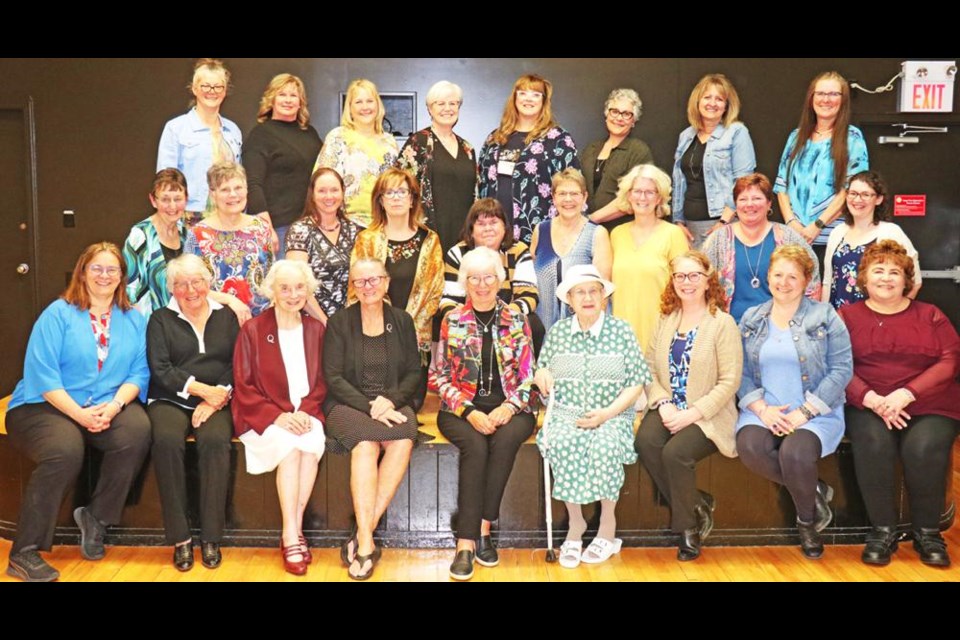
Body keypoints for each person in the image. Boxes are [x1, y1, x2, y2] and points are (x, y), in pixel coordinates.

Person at [4, 242, 150, 582]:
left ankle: (96, 518)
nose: (104, 275)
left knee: (137, 431)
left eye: (112, 270)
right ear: (83, 272)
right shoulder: (58, 313)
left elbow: (139, 374)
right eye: (96, 268)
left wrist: (114, 407)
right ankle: (24, 552)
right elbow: (43, 377)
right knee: (65, 450)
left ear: (122, 277)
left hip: (104, 403)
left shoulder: (134, 319)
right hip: (44, 405)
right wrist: (80, 415)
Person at [839, 240, 960, 567]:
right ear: (864, 277)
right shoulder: (845, 316)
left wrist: (908, 393)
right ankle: (882, 531)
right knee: (874, 444)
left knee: (922, 448)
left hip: (928, 401)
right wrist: (872, 399)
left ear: (907, 280)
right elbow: (837, 365)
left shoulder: (931, 315)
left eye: (895, 272)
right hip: (869, 401)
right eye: (878, 270)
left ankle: (928, 533)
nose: (886, 278)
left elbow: (950, 360)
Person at [736, 245, 852, 560]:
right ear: (768, 276)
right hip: (765, 409)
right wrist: (761, 409)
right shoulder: (751, 318)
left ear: (807, 281)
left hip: (816, 411)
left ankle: (806, 520)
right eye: (778, 275)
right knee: (749, 448)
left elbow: (842, 370)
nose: (783, 282)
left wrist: (805, 412)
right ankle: (814, 492)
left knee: (794, 453)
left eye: (792, 276)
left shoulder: (825, 315)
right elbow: (740, 372)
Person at [430, 247, 536, 580]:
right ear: (464, 282)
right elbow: (438, 375)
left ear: (500, 280)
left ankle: (483, 529)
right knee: (475, 447)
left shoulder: (517, 319)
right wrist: (468, 410)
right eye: (473, 278)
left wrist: (509, 406)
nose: (481, 284)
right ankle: (467, 543)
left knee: (503, 443)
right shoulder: (452, 320)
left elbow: (529, 373)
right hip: (460, 409)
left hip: (512, 408)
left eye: (488, 276)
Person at [535, 265, 650, 569]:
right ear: (569, 299)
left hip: (611, 414)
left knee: (604, 447)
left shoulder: (621, 331)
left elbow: (637, 380)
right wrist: (542, 373)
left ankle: (608, 528)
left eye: (593, 291)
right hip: (567, 413)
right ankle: (576, 526)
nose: (587, 297)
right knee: (561, 442)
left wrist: (607, 414)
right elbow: (543, 368)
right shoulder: (558, 332)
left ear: (603, 296)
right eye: (579, 292)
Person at [635, 251, 742, 561]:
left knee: (676, 453)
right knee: (646, 441)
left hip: (708, 412)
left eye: (694, 275)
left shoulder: (722, 323)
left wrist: (693, 414)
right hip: (669, 405)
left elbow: (730, 380)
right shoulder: (666, 320)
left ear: (708, 280)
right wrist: (664, 403)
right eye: (680, 276)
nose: (687, 282)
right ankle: (696, 501)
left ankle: (687, 528)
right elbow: (648, 369)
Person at [323, 258, 421, 580]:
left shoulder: (402, 321)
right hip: (348, 405)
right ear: (353, 286)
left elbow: (413, 373)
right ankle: (366, 543)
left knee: (404, 436)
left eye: (374, 280)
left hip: (392, 403)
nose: (368, 287)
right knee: (365, 444)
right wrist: (370, 406)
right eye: (360, 281)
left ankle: (361, 533)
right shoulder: (339, 322)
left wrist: (390, 401)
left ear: (387, 283)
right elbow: (334, 377)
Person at [232, 260, 327, 576]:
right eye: (284, 288)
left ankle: (293, 530)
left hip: (307, 413)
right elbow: (243, 384)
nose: (292, 294)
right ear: (271, 291)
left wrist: (303, 412)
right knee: (290, 448)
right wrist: (278, 416)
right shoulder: (253, 330)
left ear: (308, 291)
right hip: (262, 417)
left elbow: (323, 382)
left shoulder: (316, 330)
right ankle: (291, 535)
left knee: (309, 445)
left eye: (300, 287)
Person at [145, 254, 239, 571]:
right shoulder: (160, 319)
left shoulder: (227, 317)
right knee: (167, 441)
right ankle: (181, 538)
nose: (190, 289)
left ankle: (211, 536)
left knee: (215, 442)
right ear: (171, 288)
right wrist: (200, 390)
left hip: (216, 401)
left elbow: (236, 364)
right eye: (181, 284)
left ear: (208, 283)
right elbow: (160, 369)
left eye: (196, 281)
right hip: (170, 398)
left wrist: (216, 398)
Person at [351, 168, 444, 390]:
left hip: (415, 339)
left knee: (411, 403)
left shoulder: (429, 240)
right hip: (374, 336)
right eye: (389, 192)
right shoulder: (366, 239)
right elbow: (358, 287)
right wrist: (386, 327)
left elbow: (435, 291)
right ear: (380, 201)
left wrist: (405, 329)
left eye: (402, 191)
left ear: (412, 199)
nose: (396, 198)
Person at [702, 173, 821, 322]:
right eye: (743, 199)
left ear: (769, 203)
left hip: (780, 330)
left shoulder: (789, 238)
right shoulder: (718, 240)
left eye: (757, 198)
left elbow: (812, 281)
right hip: (730, 329)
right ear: (736, 205)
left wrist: (800, 323)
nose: (749, 204)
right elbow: (701, 282)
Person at [774, 71, 870, 255]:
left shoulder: (853, 138)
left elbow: (852, 190)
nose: (826, 99)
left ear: (843, 100)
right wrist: (792, 224)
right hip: (794, 238)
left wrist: (817, 226)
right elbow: (781, 186)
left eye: (834, 94)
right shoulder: (796, 137)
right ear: (811, 98)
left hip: (832, 238)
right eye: (821, 93)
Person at [478, 74, 579, 245]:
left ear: (544, 101)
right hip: (494, 231)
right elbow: (480, 183)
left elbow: (573, 184)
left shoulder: (558, 139)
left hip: (539, 232)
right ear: (514, 98)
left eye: (536, 94)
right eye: (523, 93)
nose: (528, 99)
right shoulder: (495, 138)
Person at [439, 198, 542, 351]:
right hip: (469, 315)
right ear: (471, 230)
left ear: (504, 227)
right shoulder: (457, 253)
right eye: (480, 224)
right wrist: (465, 318)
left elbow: (529, 295)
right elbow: (449, 299)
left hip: (508, 313)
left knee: (536, 326)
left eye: (493, 222)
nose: (488, 228)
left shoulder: (519, 250)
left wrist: (504, 317)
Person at [610, 164, 689, 352]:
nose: (642, 197)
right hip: (622, 338)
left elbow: (685, 288)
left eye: (650, 192)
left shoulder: (673, 234)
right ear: (628, 195)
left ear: (659, 197)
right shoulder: (616, 235)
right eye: (637, 191)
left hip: (661, 335)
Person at [672, 74, 756, 248]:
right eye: (707, 97)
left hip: (723, 223)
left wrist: (724, 222)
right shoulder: (686, 136)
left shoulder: (736, 132)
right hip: (689, 226)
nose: (712, 103)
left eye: (719, 99)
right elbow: (679, 182)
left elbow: (744, 182)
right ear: (697, 101)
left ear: (726, 106)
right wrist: (678, 221)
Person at [244, 73, 323, 254]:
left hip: (311, 225)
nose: (288, 100)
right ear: (271, 99)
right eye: (282, 94)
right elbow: (252, 183)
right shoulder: (260, 135)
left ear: (301, 101)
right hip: (278, 228)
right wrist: (266, 228)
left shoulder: (310, 134)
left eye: (293, 95)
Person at [184, 162, 274, 321]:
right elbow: (188, 286)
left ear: (247, 189)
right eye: (225, 189)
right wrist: (230, 300)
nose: (233, 195)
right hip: (216, 324)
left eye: (238, 188)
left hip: (260, 324)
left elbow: (273, 276)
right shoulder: (197, 234)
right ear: (213, 194)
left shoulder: (261, 227)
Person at [157, 58, 242, 224]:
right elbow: (165, 180)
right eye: (206, 86)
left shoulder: (233, 131)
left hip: (227, 215)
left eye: (218, 86)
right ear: (195, 89)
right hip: (189, 216)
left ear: (225, 91)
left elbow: (239, 177)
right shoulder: (176, 128)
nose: (212, 91)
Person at [397, 80, 477, 252]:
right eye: (440, 103)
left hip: (464, 234)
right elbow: (398, 186)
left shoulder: (468, 148)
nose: (447, 108)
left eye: (453, 103)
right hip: (427, 233)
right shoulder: (418, 143)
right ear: (429, 109)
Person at [822, 170, 921, 309]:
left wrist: (893, 315)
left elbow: (915, 282)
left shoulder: (891, 232)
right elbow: (827, 282)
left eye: (865, 195)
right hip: (838, 320)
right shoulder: (837, 233)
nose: (857, 200)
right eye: (853, 193)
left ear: (879, 199)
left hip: (875, 322)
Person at [530, 168, 612, 332]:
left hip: (583, 330)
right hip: (543, 330)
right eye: (562, 194)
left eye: (574, 194)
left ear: (584, 197)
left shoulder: (597, 234)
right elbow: (531, 282)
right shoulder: (540, 230)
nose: (568, 199)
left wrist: (593, 332)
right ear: (553, 197)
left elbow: (603, 292)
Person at [315, 79, 398, 228]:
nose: (365, 107)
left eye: (370, 101)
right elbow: (321, 182)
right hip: (344, 224)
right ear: (350, 108)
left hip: (384, 224)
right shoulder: (338, 137)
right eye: (358, 102)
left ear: (378, 105)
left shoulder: (390, 142)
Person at [286, 168, 361, 323]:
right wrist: (326, 324)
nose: (329, 196)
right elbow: (297, 285)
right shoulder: (300, 231)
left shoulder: (354, 231)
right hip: (313, 322)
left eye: (334, 190)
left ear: (342, 192)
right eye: (322, 191)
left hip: (350, 323)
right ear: (312, 195)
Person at [580, 88, 654, 233]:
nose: (619, 118)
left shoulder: (638, 151)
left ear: (633, 121)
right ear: (606, 114)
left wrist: (591, 219)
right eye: (614, 111)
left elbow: (634, 198)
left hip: (621, 232)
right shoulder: (591, 149)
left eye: (626, 114)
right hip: (587, 232)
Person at [123, 168, 189, 316]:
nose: (172, 206)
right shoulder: (140, 235)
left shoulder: (185, 233)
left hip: (183, 321)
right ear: (153, 200)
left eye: (178, 199)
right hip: (149, 323)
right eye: (165, 199)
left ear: (186, 199)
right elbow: (128, 290)